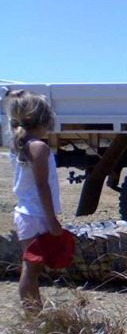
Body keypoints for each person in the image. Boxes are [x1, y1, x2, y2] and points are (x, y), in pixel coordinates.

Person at [5, 89, 63, 312]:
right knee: (31, 268)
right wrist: (52, 220)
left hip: (27, 212)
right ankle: (34, 317)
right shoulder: (38, 147)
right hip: (36, 214)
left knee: (32, 267)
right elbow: (42, 185)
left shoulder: (21, 143)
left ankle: (34, 313)